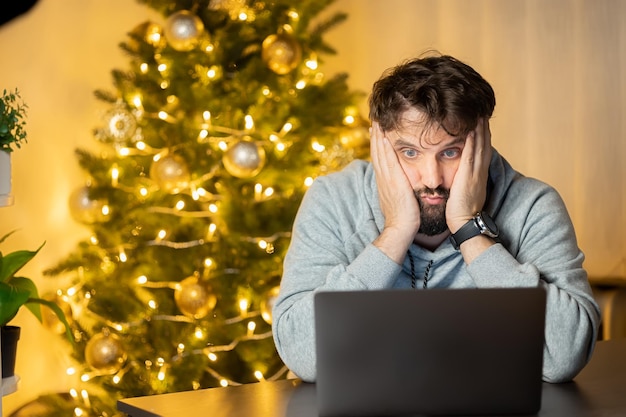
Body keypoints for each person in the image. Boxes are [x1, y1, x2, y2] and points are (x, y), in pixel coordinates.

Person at [271, 52, 601, 384]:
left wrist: (469, 229)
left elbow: (563, 357)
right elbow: (303, 356)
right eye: (410, 152)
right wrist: (395, 233)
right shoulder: (333, 200)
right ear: (379, 146)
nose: (432, 178)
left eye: (450, 152)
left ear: (482, 144)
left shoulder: (533, 205)